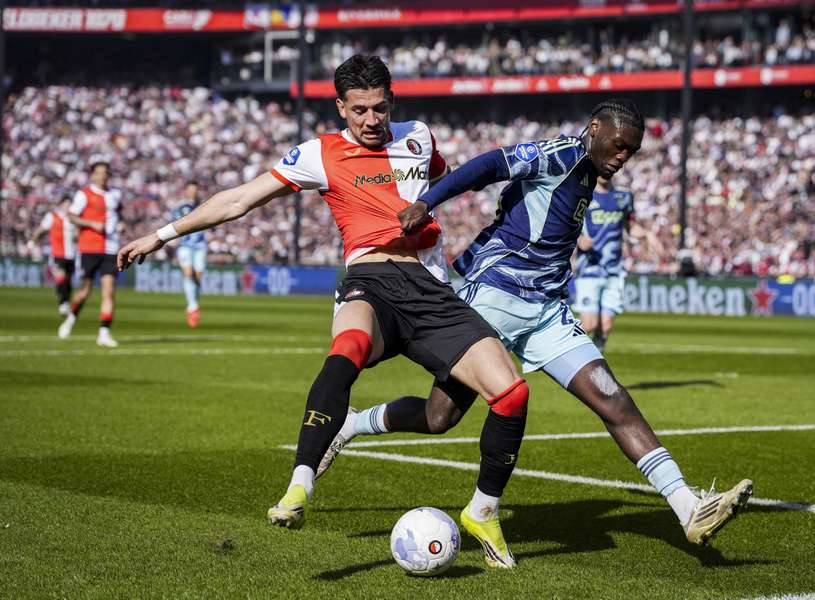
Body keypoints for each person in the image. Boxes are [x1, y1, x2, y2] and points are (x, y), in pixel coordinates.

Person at [117, 55, 528, 569]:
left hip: (431, 291)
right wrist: (160, 235)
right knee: (348, 348)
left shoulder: (419, 137)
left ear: (391, 103)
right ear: (341, 108)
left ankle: (484, 511)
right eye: (359, 111)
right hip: (371, 281)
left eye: (379, 108)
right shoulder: (318, 153)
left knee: (509, 395)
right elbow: (240, 199)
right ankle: (299, 486)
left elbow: (445, 180)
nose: (371, 120)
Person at [319, 99, 753, 546]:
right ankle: (353, 424)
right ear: (595, 128)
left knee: (615, 401)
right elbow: (490, 164)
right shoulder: (559, 155)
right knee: (439, 416)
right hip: (494, 295)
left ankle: (688, 509)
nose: (623, 157)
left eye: (632, 151)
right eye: (620, 145)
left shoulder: (590, 173)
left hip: (547, 310)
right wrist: (428, 201)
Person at [573, 178, 664, 351]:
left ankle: (593, 367)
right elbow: (568, 223)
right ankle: (560, 342)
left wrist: (647, 234)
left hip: (615, 270)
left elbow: (630, 226)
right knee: (589, 324)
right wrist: (578, 239)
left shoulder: (624, 196)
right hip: (590, 269)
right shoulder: (584, 194)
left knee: (605, 327)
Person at [58, 162, 123, 347]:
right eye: (99, 173)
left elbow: (120, 214)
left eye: (105, 173)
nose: (103, 176)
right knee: (84, 291)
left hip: (111, 249)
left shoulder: (115, 194)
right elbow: (71, 215)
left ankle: (104, 332)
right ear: (92, 176)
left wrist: (121, 224)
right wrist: (91, 224)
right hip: (89, 248)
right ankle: (71, 318)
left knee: (108, 291)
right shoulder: (83, 194)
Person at [32, 195, 78, 316]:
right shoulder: (52, 216)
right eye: (66, 204)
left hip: (72, 255)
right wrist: (33, 241)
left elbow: (77, 236)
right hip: (58, 254)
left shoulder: (74, 218)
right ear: (61, 204)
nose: (68, 207)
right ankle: (63, 304)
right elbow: (41, 230)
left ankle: (65, 299)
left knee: (67, 281)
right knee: (61, 277)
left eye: (70, 204)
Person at [171, 181, 207, 327]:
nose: (193, 192)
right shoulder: (180, 206)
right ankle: (192, 307)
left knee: (198, 276)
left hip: (200, 245)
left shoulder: (203, 205)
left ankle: (194, 303)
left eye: (195, 189)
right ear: (186, 191)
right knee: (188, 273)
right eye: (190, 189)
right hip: (185, 246)